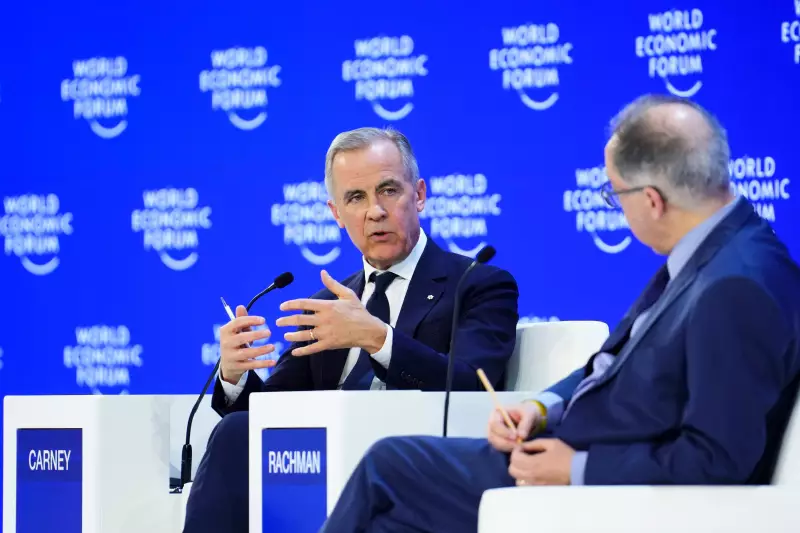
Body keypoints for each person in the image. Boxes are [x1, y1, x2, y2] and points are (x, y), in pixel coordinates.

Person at [318, 95, 800, 533]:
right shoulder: (709, 256)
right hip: (558, 449)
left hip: (595, 486)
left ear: (652, 201)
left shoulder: (736, 284)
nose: (619, 211)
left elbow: (715, 460)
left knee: (387, 466)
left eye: (615, 195)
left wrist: (575, 469)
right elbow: (607, 366)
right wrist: (542, 405)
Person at [182, 127, 520, 533]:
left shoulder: (477, 284)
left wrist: (376, 338)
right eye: (356, 198)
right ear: (336, 214)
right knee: (236, 432)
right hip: (321, 467)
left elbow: (471, 386)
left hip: (411, 466)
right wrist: (235, 376)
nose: (375, 211)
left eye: (389, 190)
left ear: (419, 195)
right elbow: (270, 416)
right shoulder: (329, 304)